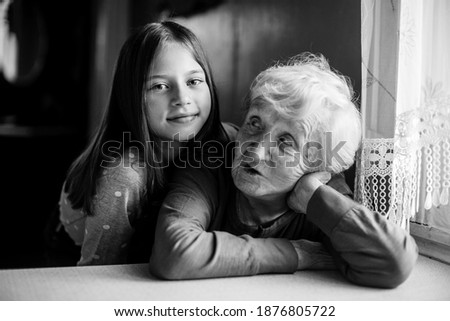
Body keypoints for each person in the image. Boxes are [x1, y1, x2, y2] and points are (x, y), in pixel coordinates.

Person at [149, 53, 418, 288]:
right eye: (255, 122)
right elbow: (174, 254)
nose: (255, 150)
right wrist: (297, 253)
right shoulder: (212, 153)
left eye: (285, 142)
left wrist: (314, 197)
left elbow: (394, 261)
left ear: (318, 166)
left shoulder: (322, 192)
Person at [58, 21, 237, 265]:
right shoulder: (124, 177)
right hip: (79, 250)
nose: (182, 99)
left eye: (193, 81)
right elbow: (98, 272)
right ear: (131, 97)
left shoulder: (223, 141)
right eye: (160, 86)